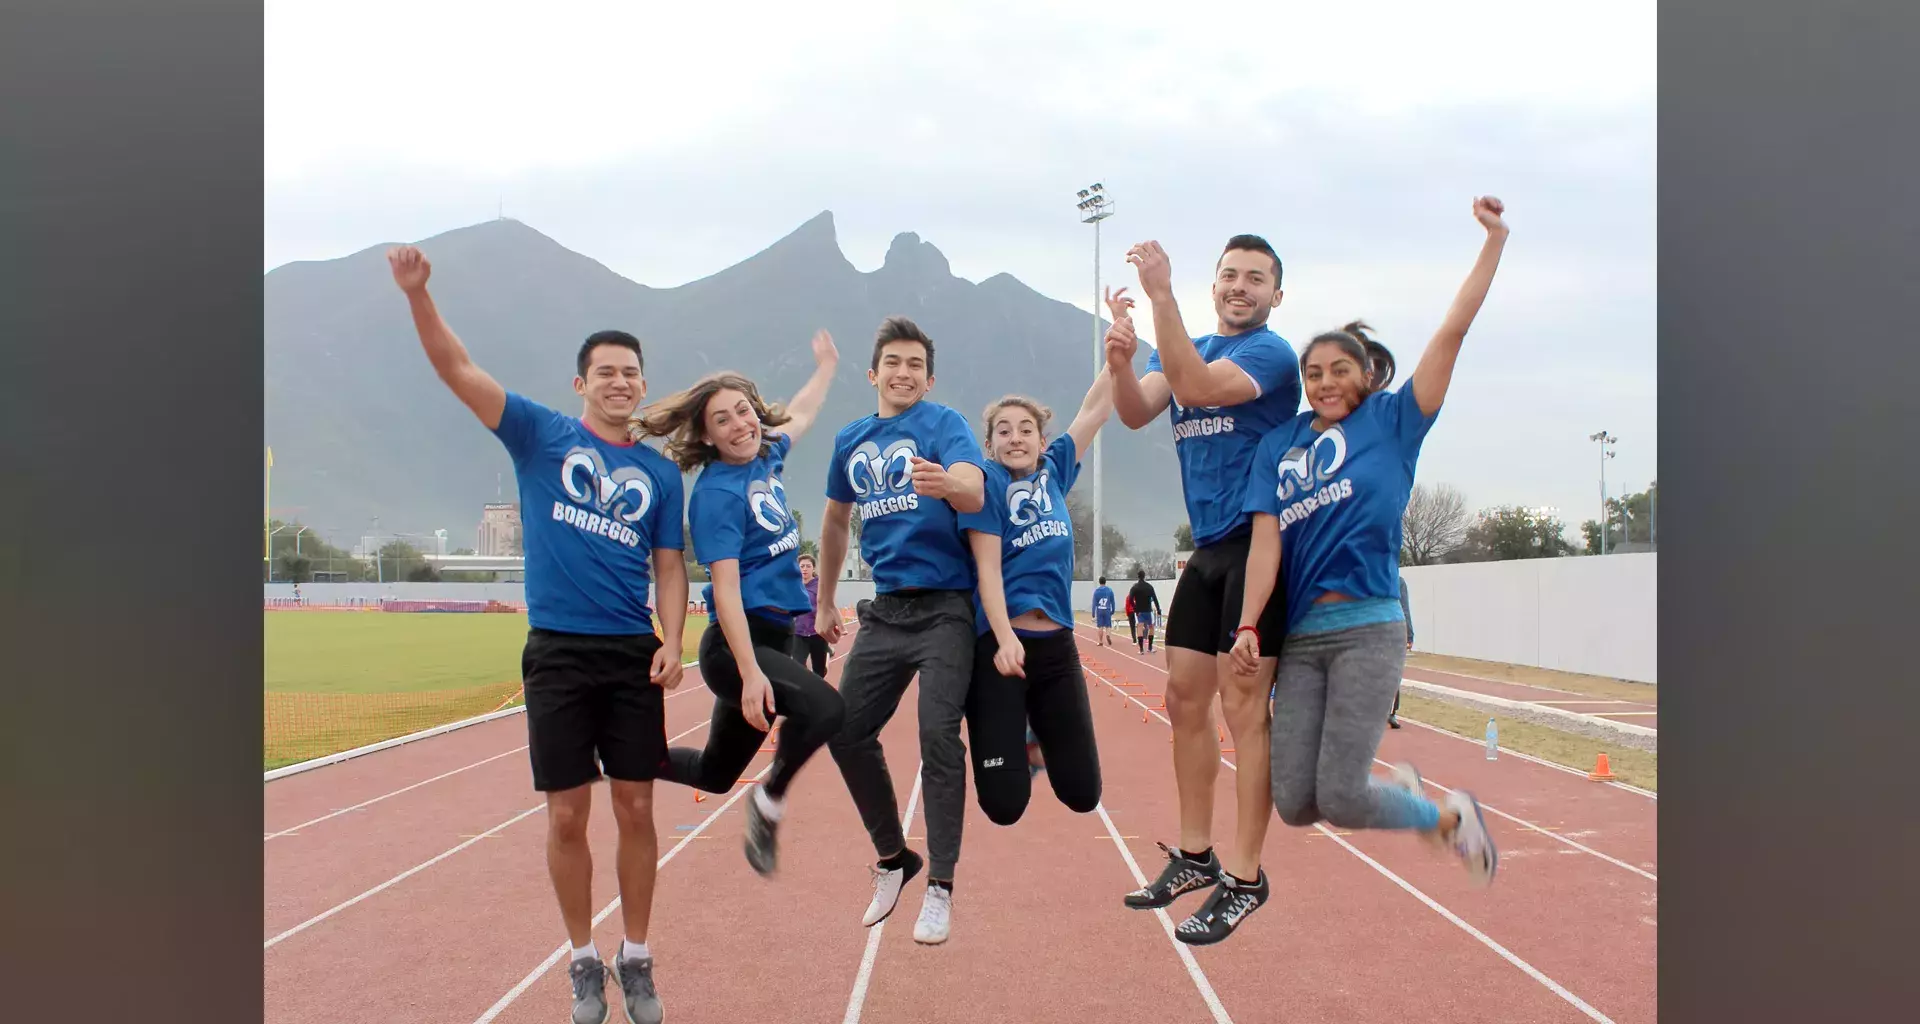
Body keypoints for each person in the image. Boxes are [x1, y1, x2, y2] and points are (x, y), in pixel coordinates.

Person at [388, 245, 685, 1024]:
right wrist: (419, 296)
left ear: (644, 385)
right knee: (564, 815)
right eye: (606, 371)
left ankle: (639, 956)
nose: (620, 382)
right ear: (581, 383)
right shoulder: (537, 433)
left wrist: (675, 638)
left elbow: (671, 567)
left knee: (637, 808)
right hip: (556, 651)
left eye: (632, 372)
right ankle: (584, 960)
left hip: (630, 654)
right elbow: (457, 370)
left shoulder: (659, 476)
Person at [1231, 196, 1510, 891]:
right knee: (1295, 802)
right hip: (1301, 639)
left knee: (1347, 795)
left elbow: (1453, 329)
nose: (1324, 382)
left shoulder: (1395, 421)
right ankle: (1416, 800)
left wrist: (1494, 243)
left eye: (1338, 370)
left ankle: (1445, 815)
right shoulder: (1280, 443)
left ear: (1368, 375)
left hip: (1367, 629)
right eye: (1312, 375)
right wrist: (1246, 622)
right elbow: (1266, 543)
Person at [1103, 234, 1301, 945]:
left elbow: (1195, 389)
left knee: (1245, 711)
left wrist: (1161, 297)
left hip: (1262, 545)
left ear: (1277, 295)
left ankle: (1246, 877)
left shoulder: (1271, 355)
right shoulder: (1187, 347)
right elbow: (1136, 409)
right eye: (1229, 275)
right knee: (1184, 699)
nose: (1239, 286)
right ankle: (1195, 856)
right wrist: (1122, 365)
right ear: (1214, 284)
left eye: (1255, 278)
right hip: (1209, 551)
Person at [634, 330, 846, 881]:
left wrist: (825, 367)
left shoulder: (766, 457)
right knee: (826, 709)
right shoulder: (717, 495)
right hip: (738, 647)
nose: (740, 425)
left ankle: (621, 755)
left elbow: (800, 414)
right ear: (706, 435)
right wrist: (751, 673)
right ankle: (769, 800)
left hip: (776, 640)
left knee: (714, 772)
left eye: (744, 411)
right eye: (722, 419)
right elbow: (724, 589)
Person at [813, 316, 987, 946]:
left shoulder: (945, 425)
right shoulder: (850, 439)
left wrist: (950, 484)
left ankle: (940, 885)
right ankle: (894, 858)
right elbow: (835, 522)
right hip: (885, 610)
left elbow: (973, 484)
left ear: (929, 377)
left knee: (938, 735)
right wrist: (826, 600)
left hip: (945, 607)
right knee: (844, 729)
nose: (904, 372)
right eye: (894, 362)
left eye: (916, 364)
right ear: (874, 372)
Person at [960, 287, 1127, 830]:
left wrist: (1117, 344)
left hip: (1054, 646)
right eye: (1003, 431)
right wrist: (1004, 636)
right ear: (990, 445)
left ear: (1041, 438)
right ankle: (1003, 730)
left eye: (1025, 429)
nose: (1015, 438)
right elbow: (986, 568)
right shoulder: (984, 484)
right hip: (1000, 647)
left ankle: (1031, 734)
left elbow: (1096, 408)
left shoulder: (1055, 470)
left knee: (1083, 793)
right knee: (1004, 806)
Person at [791, 554, 831, 676]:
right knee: (797, 667)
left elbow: (827, 604)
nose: (804, 569)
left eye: (808, 566)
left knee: (819, 671)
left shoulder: (820, 585)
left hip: (817, 632)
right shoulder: (793, 584)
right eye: (802, 566)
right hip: (799, 632)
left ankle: (827, 653)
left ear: (813, 568)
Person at [1391, 575, 1412, 728]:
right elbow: (1404, 608)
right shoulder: (1397, 580)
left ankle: (1390, 712)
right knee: (1393, 672)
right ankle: (1391, 712)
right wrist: (1409, 634)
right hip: (1391, 630)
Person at [1128, 569, 1162, 654]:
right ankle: (1150, 647)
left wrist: (1135, 609)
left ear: (1138, 576)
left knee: (1139, 627)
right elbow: (1155, 599)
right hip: (1148, 610)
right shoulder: (1149, 587)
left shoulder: (1135, 587)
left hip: (1140, 611)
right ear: (1144, 576)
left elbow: (1130, 599)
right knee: (1151, 627)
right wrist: (1158, 609)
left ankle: (1141, 649)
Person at [1091, 577, 1117, 647]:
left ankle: (1100, 641)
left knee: (1100, 626)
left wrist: (1093, 613)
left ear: (1099, 582)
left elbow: (1094, 603)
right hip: (1107, 609)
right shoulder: (1109, 590)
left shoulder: (1096, 591)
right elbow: (1112, 601)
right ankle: (1108, 635)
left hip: (1100, 610)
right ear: (1105, 582)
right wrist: (1113, 610)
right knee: (1108, 625)